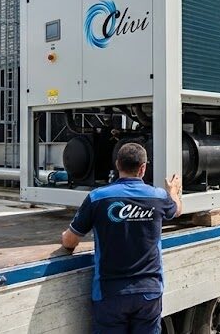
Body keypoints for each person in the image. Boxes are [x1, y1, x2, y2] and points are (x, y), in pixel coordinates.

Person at [60, 143, 182, 334]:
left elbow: (70, 241)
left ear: (117, 165)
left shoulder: (97, 198)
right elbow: (177, 210)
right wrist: (173, 191)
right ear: (143, 168)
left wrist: (66, 239)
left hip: (110, 293)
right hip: (148, 291)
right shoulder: (158, 197)